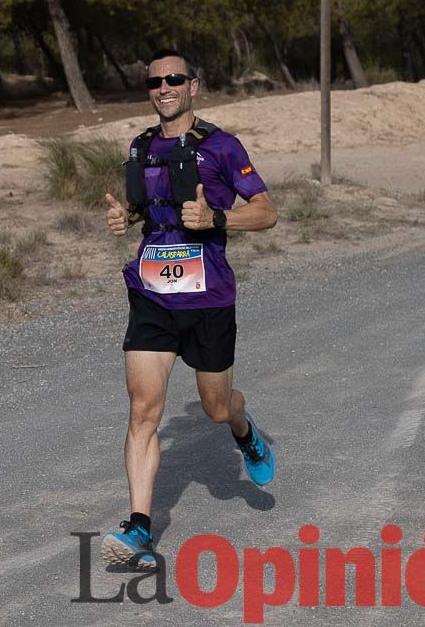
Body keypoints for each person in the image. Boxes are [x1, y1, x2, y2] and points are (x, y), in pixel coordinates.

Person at [100, 49, 279, 568]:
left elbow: (266, 213)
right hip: (152, 293)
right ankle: (138, 528)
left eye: (174, 79)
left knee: (216, 407)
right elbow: (143, 209)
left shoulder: (222, 147)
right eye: (154, 80)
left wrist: (214, 218)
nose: (163, 87)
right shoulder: (139, 148)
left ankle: (244, 430)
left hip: (208, 300)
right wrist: (124, 220)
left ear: (193, 87)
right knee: (142, 411)